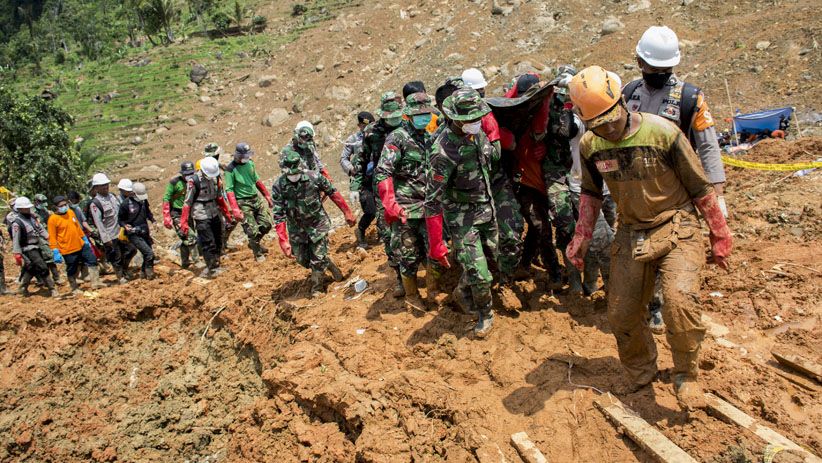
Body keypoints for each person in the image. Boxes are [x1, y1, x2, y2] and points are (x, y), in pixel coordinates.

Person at [566, 66, 732, 410]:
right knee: (621, 313)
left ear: (622, 104)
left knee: (679, 302)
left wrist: (719, 234)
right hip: (631, 231)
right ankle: (640, 371)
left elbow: (701, 188)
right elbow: (590, 194)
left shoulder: (663, 133)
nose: (608, 130)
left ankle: (686, 375)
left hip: (677, 225)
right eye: (598, 125)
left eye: (611, 120)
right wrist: (581, 237)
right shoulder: (591, 145)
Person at [624, 26, 728, 334]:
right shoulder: (629, 93)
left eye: (664, 69)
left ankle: (662, 304)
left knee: (669, 243)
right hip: (637, 187)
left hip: (675, 189)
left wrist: (717, 193)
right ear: (639, 62)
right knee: (639, 244)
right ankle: (645, 301)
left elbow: (707, 146)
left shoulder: (690, 98)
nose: (658, 74)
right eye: (652, 68)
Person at [426, 88, 499, 338]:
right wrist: (436, 243)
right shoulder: (442, 151)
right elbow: (432, 201)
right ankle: (485, 314)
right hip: (463, 218)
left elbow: (491, 160)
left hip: (487, 208)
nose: (475, 122)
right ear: (455, 118)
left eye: (478, 117)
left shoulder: (476, 135)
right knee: (479, 272)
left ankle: (463, 291)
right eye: (470, 119)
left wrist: (495, 136)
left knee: (493, 259)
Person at [375, 92, 439, 309]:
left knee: (434, 251)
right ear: (409, 115)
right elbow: (383, 172)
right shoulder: (397, 138)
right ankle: (412, 295)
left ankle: (433, 291)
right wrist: (390, 203)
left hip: (429, 206)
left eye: (426, 114)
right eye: (419, 114)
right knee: (408, 255)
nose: (423, 117)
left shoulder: (429, 137)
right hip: (406, 208)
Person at [272, 150, 356, 297]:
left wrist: (347, 212)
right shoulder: (279, 186)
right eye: (290, 174)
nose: (294, 176)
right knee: (302, 259)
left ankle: (317, 288)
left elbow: (332, 192)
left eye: (296, 172)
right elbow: (278, 215)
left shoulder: (314, 177)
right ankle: (327, 262)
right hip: (297, 229)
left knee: (317, 259)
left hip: (318, 224)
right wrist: (283, 240)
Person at [351, 92, 406, 297]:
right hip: (383, 189)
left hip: (409, 187)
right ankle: (400, 278)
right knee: (388, 233)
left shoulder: (407, 126)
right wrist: (355, 186)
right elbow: (361, 159)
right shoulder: (371, 133)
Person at [181, 157, 235, 278]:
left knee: (218, 239)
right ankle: (212, 268)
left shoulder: (215, 177)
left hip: (214, 211)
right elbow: (187, 202)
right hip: (201, 214)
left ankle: (216, 263)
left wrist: (227, 214)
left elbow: (219, 197)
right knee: (208, 242)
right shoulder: (194, 181)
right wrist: (184, 222)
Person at [224, 142, 274, 262]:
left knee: (267, 224)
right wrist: (235, 209)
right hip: (243, 202)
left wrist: (267, 196)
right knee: (252, 230)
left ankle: (254, 243)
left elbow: (257, 180)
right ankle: (258, 254)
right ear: (237, 155)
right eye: (244, 156)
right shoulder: (230, 170)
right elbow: (229, 190)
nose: (246, 158)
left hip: (255, 198)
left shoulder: (250, 163)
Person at [48, 195, 103, 293]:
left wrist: (84, 238)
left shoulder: (70, 212)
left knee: (92, 260)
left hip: (80, 243)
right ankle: (74, 288)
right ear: (55, 207)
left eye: (65, 204)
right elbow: (52, 237)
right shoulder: (52, 219)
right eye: (61, 206)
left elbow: (77, 227)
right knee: (72, 268)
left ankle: (96, 282)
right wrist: (55, 250)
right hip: (67, 248)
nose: (64, 207)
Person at [89, 173, 136, 284]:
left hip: (121, 231)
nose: (105, 187)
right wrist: (106, 239)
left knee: (131, 250)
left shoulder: (113, 197)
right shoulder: (95, 204)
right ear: (96, 188)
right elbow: (99, 223)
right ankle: (120, 277)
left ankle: (125, 270)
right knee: (116, 257)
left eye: (106, 184)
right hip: (110, 234)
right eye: (102, 185)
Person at [341, 111, 376, 249]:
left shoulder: (378, 136)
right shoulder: (353, 139)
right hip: (362, 180)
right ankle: (361, 231)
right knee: (370, 210)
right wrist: (351, 169)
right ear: (359, 125)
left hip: (378, 176)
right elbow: (343, 158)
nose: (367, 128)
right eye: (364, 126)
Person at [11, 196, 59, 297]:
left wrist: (49, 238)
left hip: (37, 245)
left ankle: (23, 288)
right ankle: (52, 288)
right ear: (20, 209)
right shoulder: (17, 223)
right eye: (26, 208)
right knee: (43, 266)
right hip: (28, 248)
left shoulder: (32, 217)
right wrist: (17, 253)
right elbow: (15, 239)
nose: (28, 209)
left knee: (31, 268)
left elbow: (40, 229)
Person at [162, 162, 199, 269]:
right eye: (187, 174)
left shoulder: (195, 181)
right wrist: (167, 216)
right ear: (182, 173)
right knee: (190, 236)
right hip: (177, 214)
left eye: (191, 173)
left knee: (185, 237)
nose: (189, 176)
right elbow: (166, 198)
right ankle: (197, 261)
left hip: (189, 213)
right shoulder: (174, 183)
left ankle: (185, 262)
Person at [119, 182, 156, 279]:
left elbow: (148, 212)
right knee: (149, 253)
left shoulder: (144, 201)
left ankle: (143, 274)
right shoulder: (125, 204)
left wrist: (153, 221)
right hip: (133, 233)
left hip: (144, 231)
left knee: (147, 254)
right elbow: (120, 220)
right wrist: (125, 226)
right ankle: (150, 275)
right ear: (132, 193)